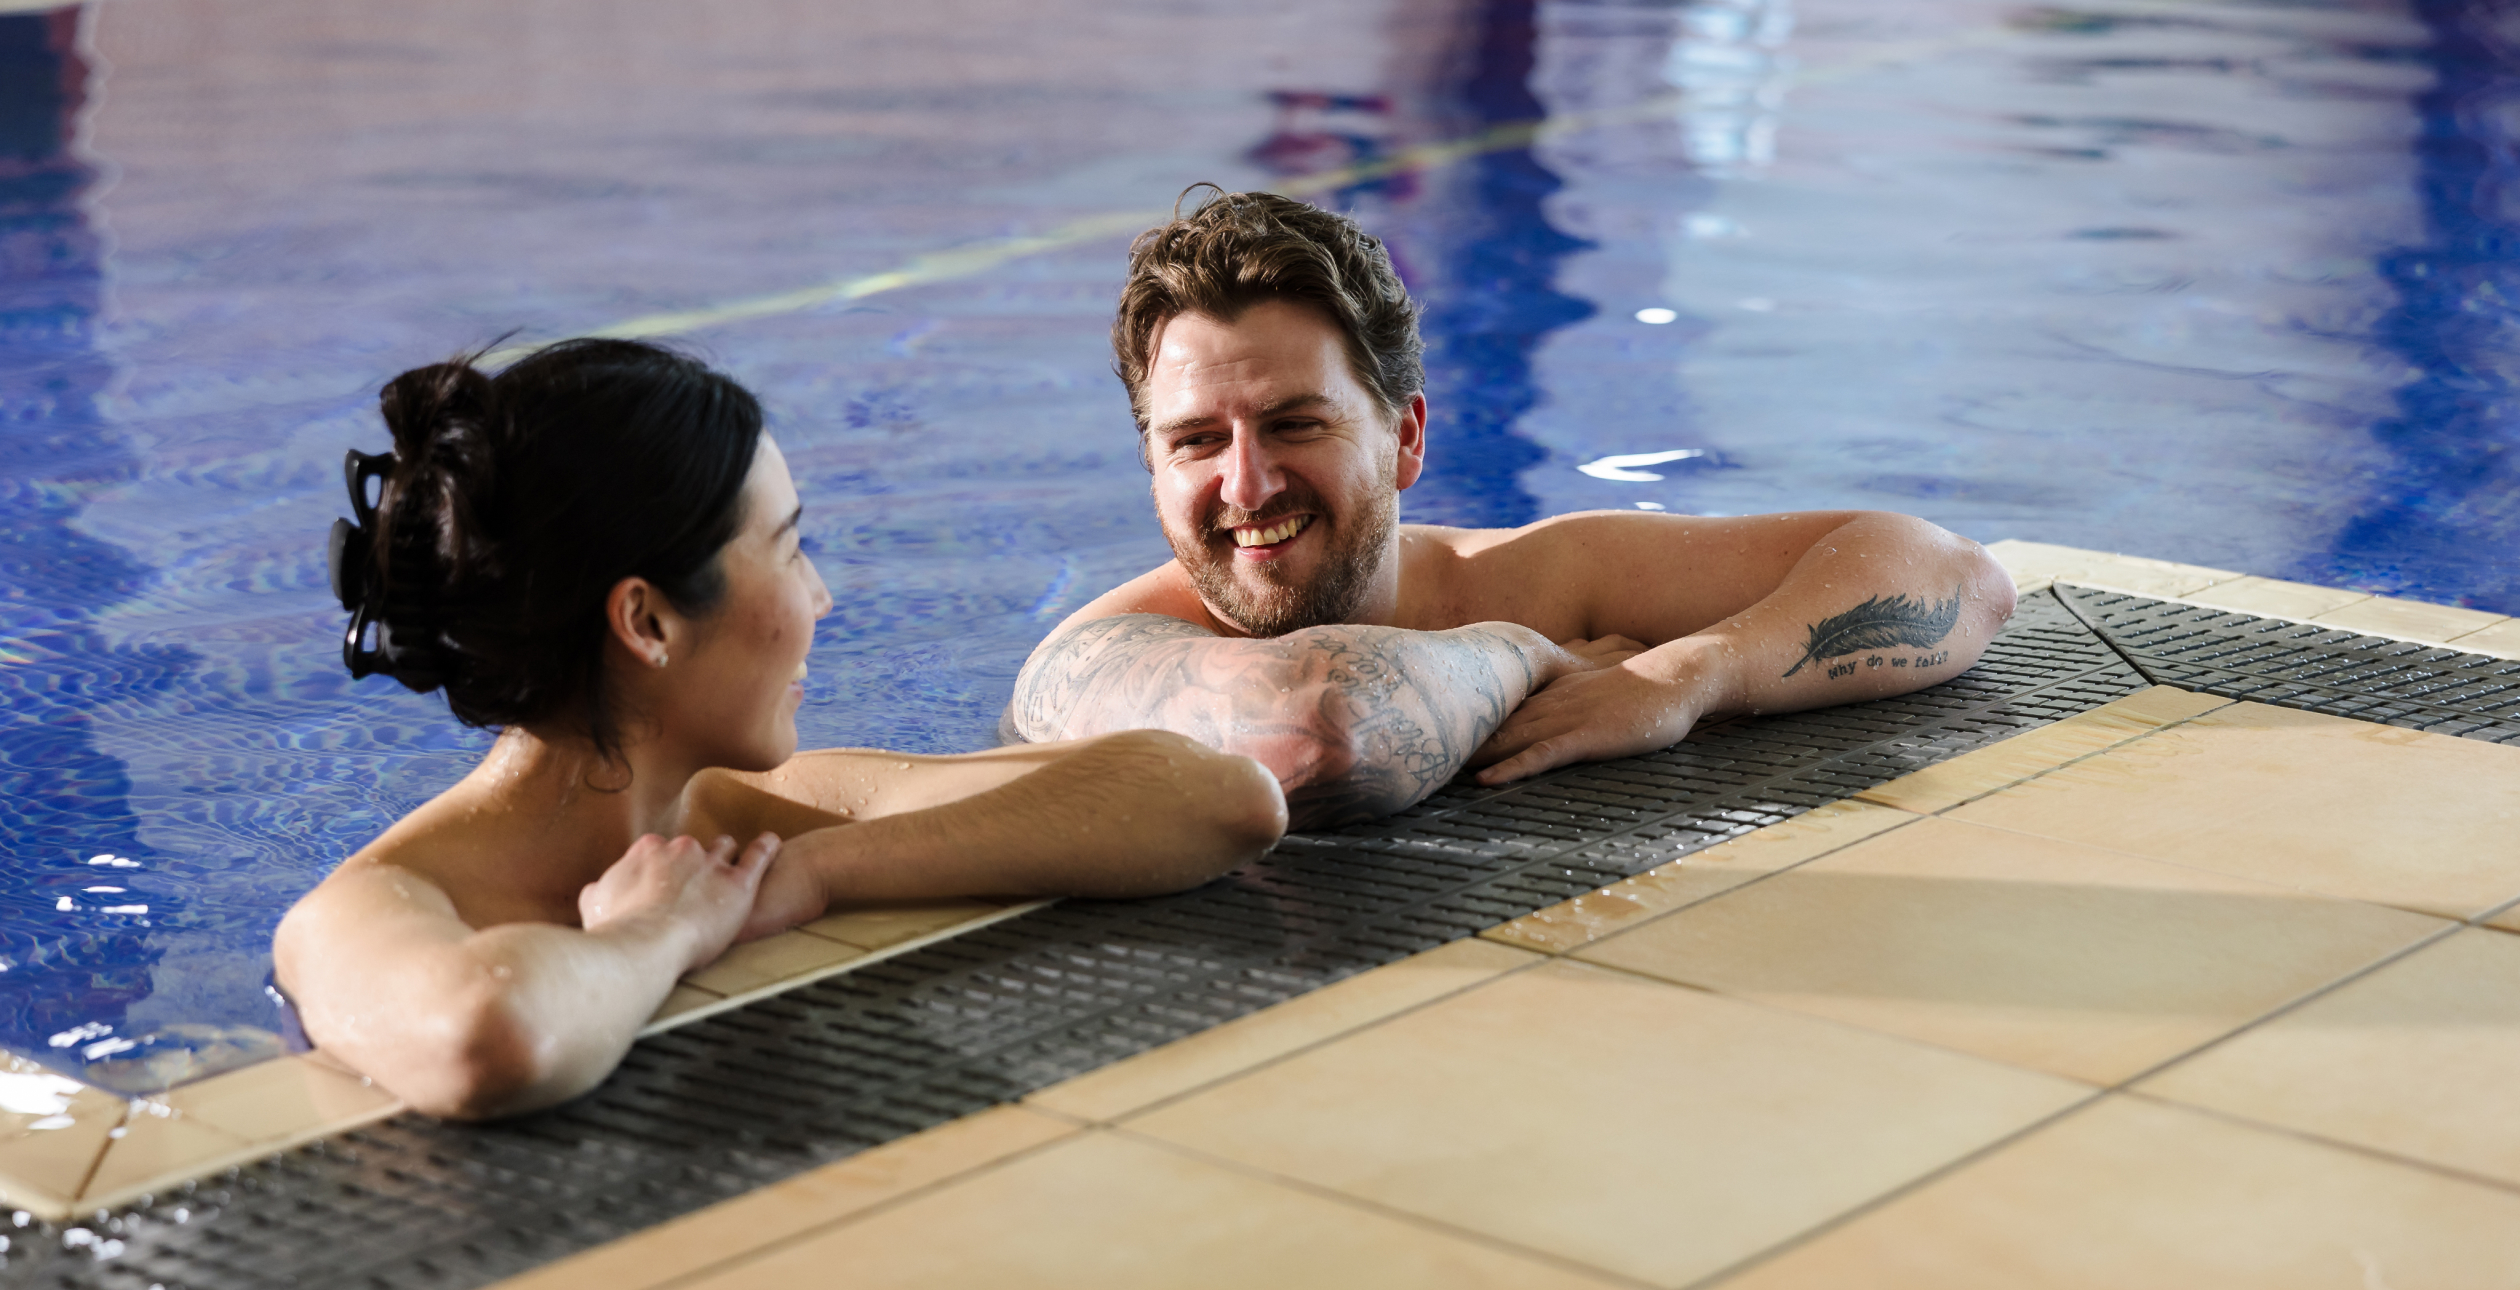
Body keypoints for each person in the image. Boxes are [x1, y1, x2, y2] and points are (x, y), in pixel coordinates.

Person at [276, 340, 1285, 1121]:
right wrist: (663, 930)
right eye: (790, 549)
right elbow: (489, 1041)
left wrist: (815, 876)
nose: (823, 598)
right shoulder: (363, 912)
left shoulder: (746, 818)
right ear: (647, 622)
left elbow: (1218, 798)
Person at [1010, 189, 2015, 828]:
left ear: (1405, 438)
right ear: (1149, 464)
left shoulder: (1539, 573)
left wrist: (1685, 675)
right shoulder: (1096, 655)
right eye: (1194, 441)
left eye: (1294, 424)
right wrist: (1536, 659)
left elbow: (1956, 577)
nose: (1246, 484)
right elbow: (1320, 730)